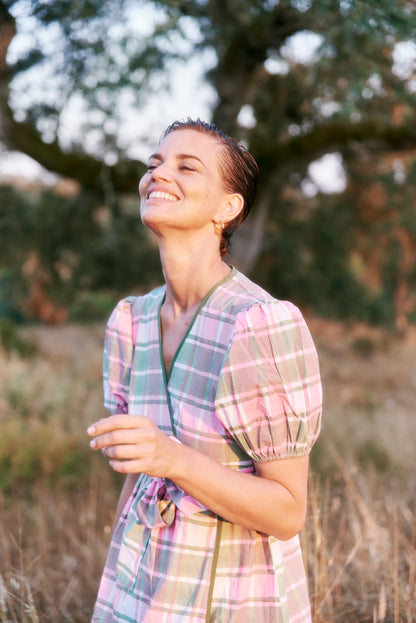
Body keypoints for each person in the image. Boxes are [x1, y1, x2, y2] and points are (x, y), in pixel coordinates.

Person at [87, 118, 322, 622]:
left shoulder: (259, 324)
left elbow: (287, 512)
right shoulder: (132, 321)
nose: (158, 174)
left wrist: (173, 458)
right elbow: (138, 478)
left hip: (232, 594)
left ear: (227, 207)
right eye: (154, 164)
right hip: (140, 586)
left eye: (186, 166)